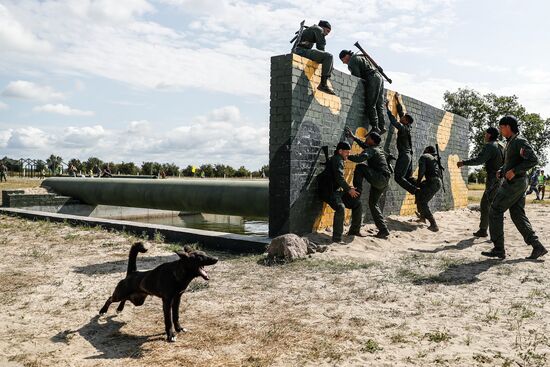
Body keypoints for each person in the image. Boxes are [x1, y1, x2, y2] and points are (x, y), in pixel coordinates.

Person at [483, 116, 547, 260]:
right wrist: (502, 169)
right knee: (517, 215)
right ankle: (537, 247)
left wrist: (514, 171)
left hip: (515, 183)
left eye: (501, 127)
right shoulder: (511, 142)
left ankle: (499, 249)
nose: (500, 130)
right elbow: (512, 162)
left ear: (508, 127)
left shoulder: (519, 141)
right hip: (516, 182)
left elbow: (533, 159)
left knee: (495, 210)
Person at [457, 126, 504, 237]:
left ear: (490, 135)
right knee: (494, 204)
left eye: (486, 134)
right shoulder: (502, 145)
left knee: (486, 204)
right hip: (501, 178)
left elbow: (479, 160)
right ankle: (491, 230)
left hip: (493, 178)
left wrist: (464, 162)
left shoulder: (490, 146)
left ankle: (484, 230)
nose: (484, 136)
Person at [346, 129, 391, 238]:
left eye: (368, 138)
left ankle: (357, 191)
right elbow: (364, 145)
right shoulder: (376, 148)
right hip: (384, 181)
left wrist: (346, 156)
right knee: (373, 204)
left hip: (379, 178)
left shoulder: (372, 150)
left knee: (360, 167)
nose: (366, 139)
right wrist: (353, 137)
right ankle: (383, 229)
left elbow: (360, 158)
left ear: (372, 141)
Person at [317, 141, 362, 242]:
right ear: (340, 151)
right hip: (328, 191)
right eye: (347, 152)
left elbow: (338, 179)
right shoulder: (337, 160)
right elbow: (339, 178)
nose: (348, 154)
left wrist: (348, 188)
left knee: (357, 203)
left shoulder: (339, 159)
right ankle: (337, 238)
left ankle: (354, 231)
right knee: (340, 208)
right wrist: (349, 189)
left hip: (336, 190)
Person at [340, 49, 386, 134]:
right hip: (379, 78)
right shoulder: (361, 56)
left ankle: (375, 127)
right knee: (379, 105)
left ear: (346, 56)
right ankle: (382, 126)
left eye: (343, 60)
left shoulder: (352, 61)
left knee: (370, 104)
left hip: (372, 79)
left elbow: (357, 78)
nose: (343, 63)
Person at [384, 96, 418, 194]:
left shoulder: (403, 128)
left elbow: (394, 121)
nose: (401, 117)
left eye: (403, 118)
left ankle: (415, 190)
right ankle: (420, 186)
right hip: (408, 156)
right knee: (408, 177)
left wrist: (387, 109)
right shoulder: (408, 126)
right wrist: (398, 101)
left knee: (398, 178)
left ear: (406, 121)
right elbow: (401, 113)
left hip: (404, 156)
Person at [294, 20, 335, 95]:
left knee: (328, 58)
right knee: (329, 56)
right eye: (327, 31)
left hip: (300, 51)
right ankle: (323, 84)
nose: (327, 34)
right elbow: (321, 48)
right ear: (322, 27)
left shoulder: (313, 29)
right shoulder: (318, 29)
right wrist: (327, 64)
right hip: (301, 51)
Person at [416, 146, 442, 232]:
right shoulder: (433, 159)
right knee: (419, 193)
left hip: (432, 182)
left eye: (425, 149)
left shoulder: (425, 156)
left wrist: (418, 181)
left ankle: (433, 224)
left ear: (427, 150)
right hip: (436, 182)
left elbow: (421, 171)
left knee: (423, 202)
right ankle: (423, 217)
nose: (423, 150)